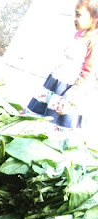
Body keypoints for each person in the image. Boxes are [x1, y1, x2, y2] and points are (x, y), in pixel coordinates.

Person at [26, 0, 98, 129]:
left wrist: (70, 99)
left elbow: (88, 74)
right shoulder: (79, 34)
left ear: (94, 18)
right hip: (55, 84)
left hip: (68, 91)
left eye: (79, 15)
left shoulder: (94, 42)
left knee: (53, 128)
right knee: (36, 123)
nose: (75, 18)